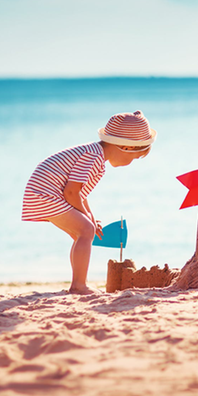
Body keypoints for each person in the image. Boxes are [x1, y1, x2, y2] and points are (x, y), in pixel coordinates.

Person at [22, 111, 156, 294]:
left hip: (46, 193)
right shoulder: (93, 157)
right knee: (85, 230)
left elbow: (80, 193)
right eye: (133, 158)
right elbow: (70, 192)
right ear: (125, 147)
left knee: (83, 232)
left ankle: (78, 283)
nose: (130, 163)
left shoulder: (95, 154)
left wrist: (91, 217)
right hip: (45, 194)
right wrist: (87, 221)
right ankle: (79, 285)